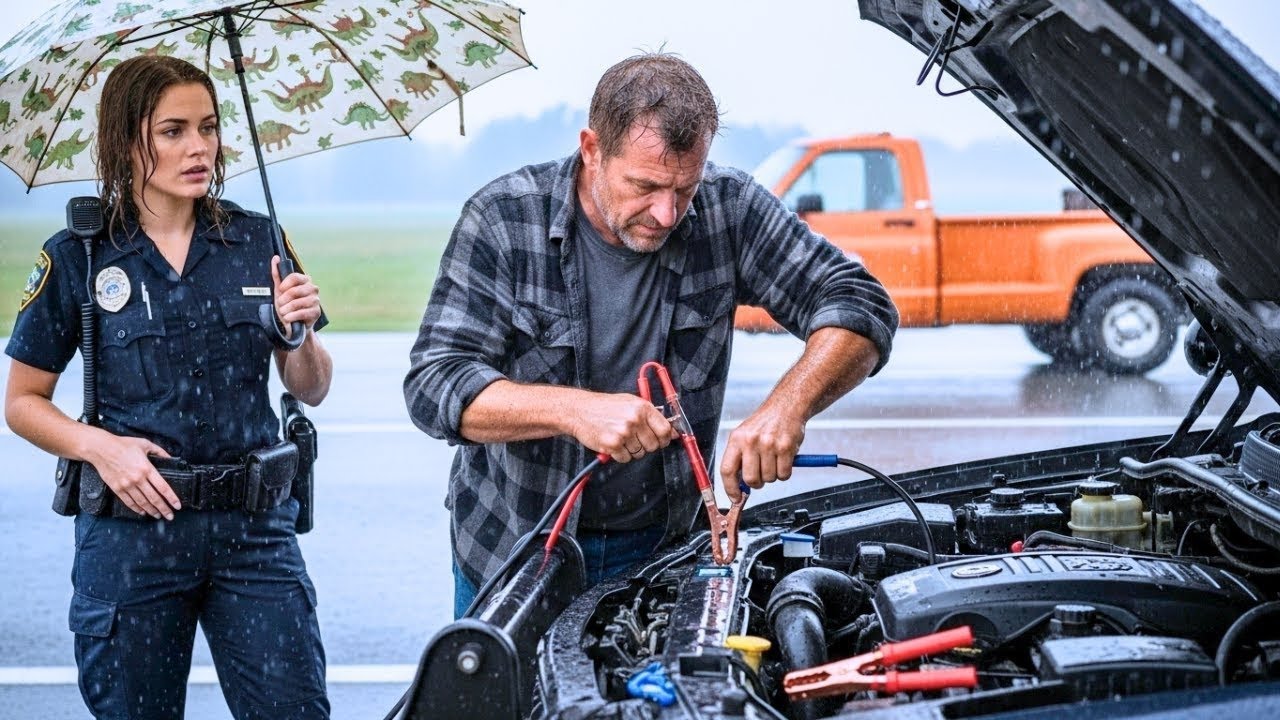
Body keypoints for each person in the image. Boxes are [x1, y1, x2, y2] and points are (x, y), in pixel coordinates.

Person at [404, 52, 898, 618]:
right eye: (645, 186)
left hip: (664, 556)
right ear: (591, 150)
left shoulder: (727, 210)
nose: (666, 213)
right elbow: (435, 384)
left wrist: (787, 408)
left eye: (683, 189)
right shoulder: (502, 219)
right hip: (513, 550)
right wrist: (576, 412)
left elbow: (861, 301)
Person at [4, 56, 332, 719]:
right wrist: (101, 448)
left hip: (253, 532)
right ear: (129, 141)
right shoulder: (80, 255)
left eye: (208, 128)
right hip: (132, 542)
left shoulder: (256, 240)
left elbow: (313, 386)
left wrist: (299, 334)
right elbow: (21, 404)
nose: (199, 148)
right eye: (173, 131)